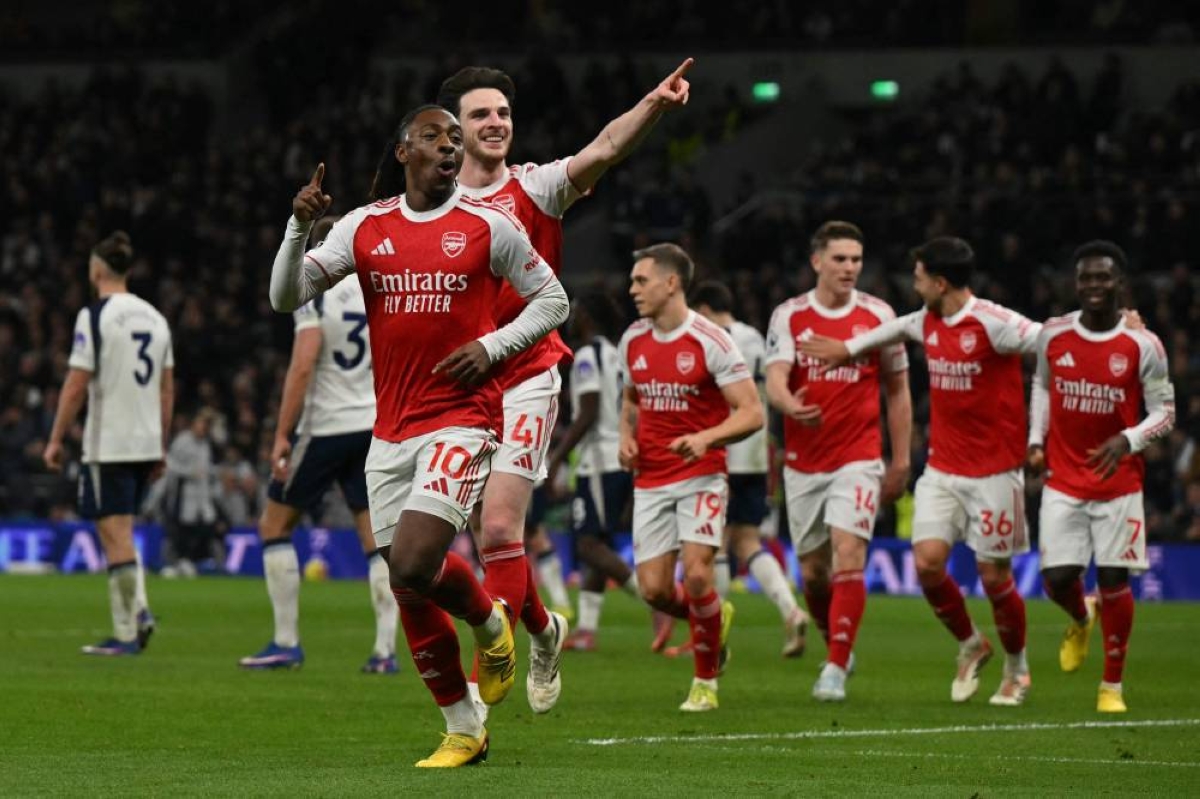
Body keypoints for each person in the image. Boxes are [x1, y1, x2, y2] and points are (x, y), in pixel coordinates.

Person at [269, 104, 569, 767]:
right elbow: (285, 297)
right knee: (409, 585)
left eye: (455, 140)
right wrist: (297, 226)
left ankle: (492, 626)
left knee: (409, 560)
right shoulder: (366, 227)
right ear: (403, 151)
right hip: (390, 430)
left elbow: (554, 301)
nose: (450, 146)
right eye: (436, 136)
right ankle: (464, 725)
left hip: (462, 418)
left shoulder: (489, 226)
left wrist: (494, 345)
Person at [436, 59, 693, 713]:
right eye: (481, 115)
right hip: (460, 388)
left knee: (498, 528)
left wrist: (653, 104)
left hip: (527, 374)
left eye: (503, 113)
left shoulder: (538, 187)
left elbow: (605, 148)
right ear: (452, 131)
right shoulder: (428, 206)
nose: (496, 124)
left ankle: (484, 676)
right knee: (464, 535)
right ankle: (545, 628)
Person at [800, 236, 1035, 706]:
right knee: (927, 563)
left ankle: (1017, 668)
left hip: (995, 473)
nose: (915, 283)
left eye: (920, 276)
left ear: (940, 281)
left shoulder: (995, 323)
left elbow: (1052, 339)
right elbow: (887, 334)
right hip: (943, 469)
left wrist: (1120, 329)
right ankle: (971, 644)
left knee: (993, 576)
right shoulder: (924, 321)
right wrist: (845, 349)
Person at [240, 214, 398, 674]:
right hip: (373, 424)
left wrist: (281, 434)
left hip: (327, 425)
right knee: (375, 539)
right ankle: (385, 652)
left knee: (273, 525)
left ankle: (286, 643)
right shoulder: (375, 288)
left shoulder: (315, 284)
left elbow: (304, 363)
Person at [765, 222, 913, 701]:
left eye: (856, 259)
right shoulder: (790, 316)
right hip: (804, 462)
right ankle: (839, 649)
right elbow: (776, 379)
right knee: (812, 573)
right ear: (817, 262)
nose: (850, 267)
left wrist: (901, 459)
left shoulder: (879, 315)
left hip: (860, 458)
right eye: (840, 259)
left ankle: (832, 667)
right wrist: (789, 406)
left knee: (850, 552)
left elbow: (897, 391)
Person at [1028, 241, 1174, 713]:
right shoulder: (1053, 335)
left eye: (1103, 278)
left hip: (1118, 482)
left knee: (1114, 580)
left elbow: (1165, 413)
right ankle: (1078, 615)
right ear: (1076, 283)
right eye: (1086, 278)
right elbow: (1042, 387)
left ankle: (1112, 686)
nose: (1094, 285)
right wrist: (1035, 439)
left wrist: (1127, 439)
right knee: (1056, 578)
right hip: (1063, 477)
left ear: (1119, 284)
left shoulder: (1143, 345)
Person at [618, 243, 763, 712]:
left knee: (699, 575)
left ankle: (705, 684)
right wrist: (626, 438)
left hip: (701, 474)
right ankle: (712, 618)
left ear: (671, 283)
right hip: (651, 478)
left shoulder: (711, 340)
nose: (633, 288)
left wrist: (707, 438)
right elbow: (631, 398)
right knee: (655, 590)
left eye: (641, 280)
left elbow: (751, 412)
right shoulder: (633, 340)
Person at [43, 231, 171, 656]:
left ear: (97, 269)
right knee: (123, 532)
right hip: (146, 442)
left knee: (114, 535)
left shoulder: (94, 316)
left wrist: (57, 438)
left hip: (110, 443)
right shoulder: (155, 318)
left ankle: (132, 624)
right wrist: (162, 444)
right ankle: (133, 621)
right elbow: (166, 390)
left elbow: (77, 382)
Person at [691, 280, 811, 659]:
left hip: (721, 446)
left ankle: (715, 634)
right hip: (756, 453)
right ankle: (790, 610)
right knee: (748, 540)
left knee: (717, 544)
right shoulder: (756, 338)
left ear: (706, 309)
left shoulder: (709, 336)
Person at [545, 292, 642, 651]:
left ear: (587, 316)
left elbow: (587, 413)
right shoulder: (619, 352)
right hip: (620, 453)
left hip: (600, 460)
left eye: (578, 310)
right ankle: (587, 630)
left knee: (586, 544)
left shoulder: (587, 355)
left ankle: (655, 600)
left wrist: (556, 458)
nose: (573, 317)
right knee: (597, 543)